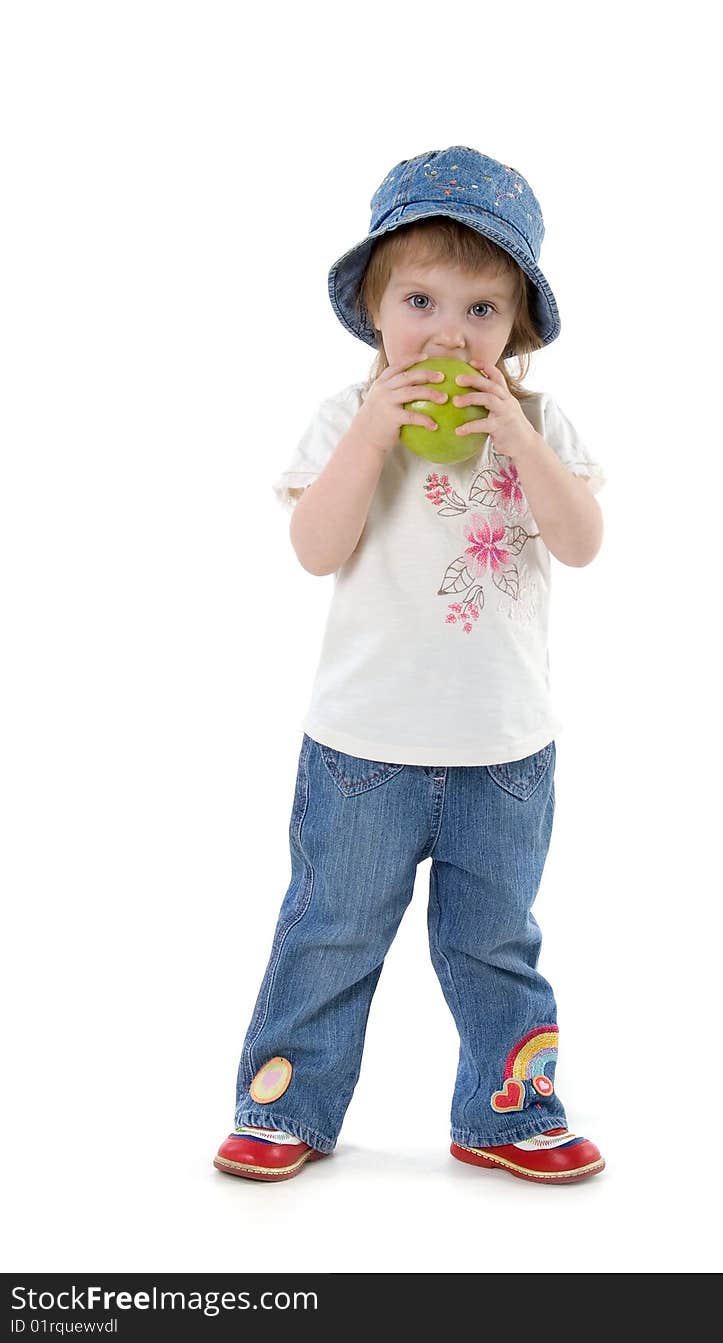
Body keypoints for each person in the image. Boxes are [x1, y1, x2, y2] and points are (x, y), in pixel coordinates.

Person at [213, 145, 608, 1185]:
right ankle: (286, 1103)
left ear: (515, 326)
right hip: (362, 749)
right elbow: (315, 549)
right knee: (330, 931)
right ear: (374, 311)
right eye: (422, 300)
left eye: (481, 310)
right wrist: (374, 440)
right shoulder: (348, 419)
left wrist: (522, 443)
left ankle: (508, 1107)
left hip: (503, 751)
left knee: (494, 942)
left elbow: (581, 541)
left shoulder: (539, 424)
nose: (448, 331)